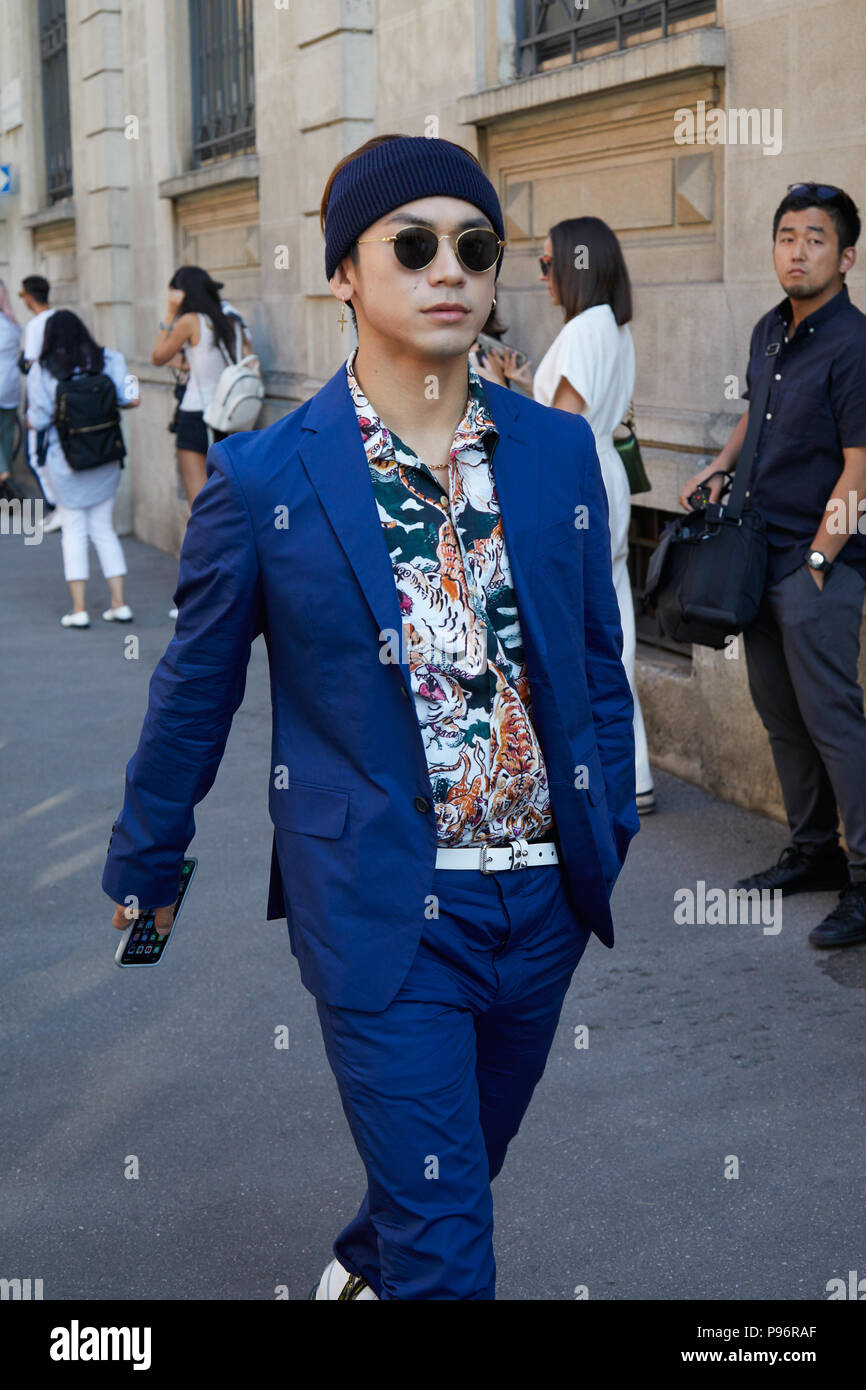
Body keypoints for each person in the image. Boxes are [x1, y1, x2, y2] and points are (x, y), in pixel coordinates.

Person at [102, 134, 640, 1300]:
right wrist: (148, 861)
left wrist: (608, 828)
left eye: (473, 246)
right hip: (387, 910)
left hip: (542, 901)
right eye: (412, 244)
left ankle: (362, 1267)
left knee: (453, 1175)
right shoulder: (263, 480)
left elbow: (591, 654)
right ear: (344, 271)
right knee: (449, 1249)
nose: (447, 268)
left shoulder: (551, 449)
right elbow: (195, 690)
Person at [680, 183, 866, 948]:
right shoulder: (769, 330)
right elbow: (757, 415)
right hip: (758, 552)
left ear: (846, 255)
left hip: (816, 560)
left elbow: (862, 468)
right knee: (781, 716)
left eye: (815, 238)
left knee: (834, 722)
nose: (798, 249)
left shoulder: (854, 343)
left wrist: (822, 557)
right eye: (787, 235)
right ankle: (814, 851)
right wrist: (719, 467)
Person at [483, 217, 654, 814]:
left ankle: (594, 771)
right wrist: (524, 380)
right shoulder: (611, 326)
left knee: (574, 624)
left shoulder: (585, 329)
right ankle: (631, 771)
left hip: (577, 486)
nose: (542, 275)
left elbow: (558, 428)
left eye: (549, 263)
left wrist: (493, 390)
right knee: (614, 620)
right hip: (604, 474)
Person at [26, 309, 139, 627]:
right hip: (105, 457)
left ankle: (79, 610)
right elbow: (132, 396)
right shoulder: (110, 359)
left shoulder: (43, 371)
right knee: (104, 529)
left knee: (74, 531)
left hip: (66, 460)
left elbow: (39, 418)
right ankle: (120, 604)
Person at [152, 267, 253, 619]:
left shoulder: (189, 321)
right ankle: (237, 590)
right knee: (231, 508)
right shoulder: (232, 320)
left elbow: (158, 356)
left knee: (201, 511)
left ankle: (199, 598)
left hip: (197, 420)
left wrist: (168, 314)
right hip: (232, 420)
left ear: (182, 293)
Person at [18, 275, 61, 531]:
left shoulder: (35, 326)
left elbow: (32, 367)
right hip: (62, 396)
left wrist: (31, 409)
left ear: (29, 297)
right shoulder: (59, 319)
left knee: (36, 455)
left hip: (42, 398)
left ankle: (57, 507)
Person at [0, 280, 21, 494]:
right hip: (12, 384)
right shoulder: (12, 323)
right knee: (6, 435)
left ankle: (4, 473)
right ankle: (8, 484)